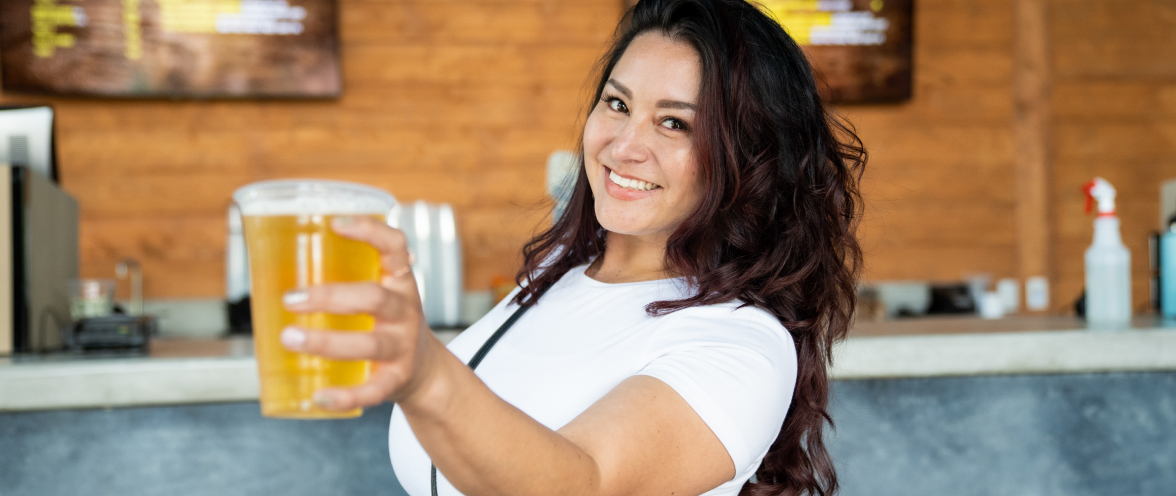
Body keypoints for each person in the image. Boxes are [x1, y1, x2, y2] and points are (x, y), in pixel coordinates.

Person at [277, 0, 865, 494]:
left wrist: (425, 374)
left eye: (675, 124)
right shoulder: (562, 274)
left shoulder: (739, 343)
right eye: (617, 103)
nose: (624, 145)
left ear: (751, 159)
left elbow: (582, 481)